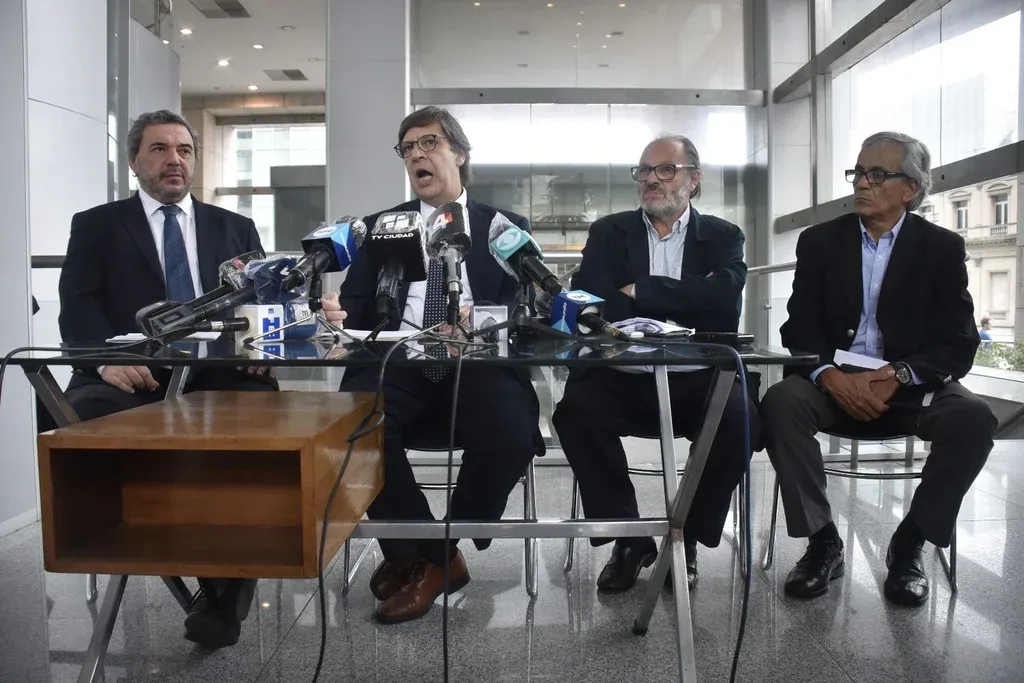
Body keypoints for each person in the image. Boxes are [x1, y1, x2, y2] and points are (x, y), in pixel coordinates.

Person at [57, 110, 276, 648]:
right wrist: (104, 360)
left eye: (184, 150)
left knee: (257, 438)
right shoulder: (97, 224)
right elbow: (77, 309)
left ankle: (219, 596)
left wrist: (262, 348)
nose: (174, 160)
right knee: (90, 425)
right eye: (159, 149)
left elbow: (264, 305)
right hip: (127, 375)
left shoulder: (235, 227)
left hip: (220, 376)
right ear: (134, 161)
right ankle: (207, 579)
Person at [321, 106, 542, 624]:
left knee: (513, 429)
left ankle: (429, 552)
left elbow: (527, 308)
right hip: (399, 363)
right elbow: (355, 309)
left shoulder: (503, 227)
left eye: (429, 143)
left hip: (480, 367)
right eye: (407, 148)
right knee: (355, 428)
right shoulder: (380, 227)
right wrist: (335, 314)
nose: (416, 155)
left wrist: (482, 325)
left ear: (458, 154)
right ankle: (431, 558)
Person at [761, 131, 996, 607]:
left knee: (973, 418)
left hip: (910, 386)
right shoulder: (819, 241)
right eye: (858, 173)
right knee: (780, 402)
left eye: (877, 175)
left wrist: (897, 375)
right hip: (833, 384)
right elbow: (798, 330)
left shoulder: (941, 247)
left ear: (910, 189)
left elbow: (959, 344)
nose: (861, 183)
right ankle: (823, 541)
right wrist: (829, 376)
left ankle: (910, 542)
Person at [550, 134, 758, 594]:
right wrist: (687, 296)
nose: (651, 179)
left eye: (665, 170)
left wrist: (640, 290)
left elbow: (724, 301)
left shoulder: (723, 236)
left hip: (696, 376)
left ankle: (685, 540)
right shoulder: (610, 232)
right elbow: (596, 303)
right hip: (621, 373)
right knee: (574, 413)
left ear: (694, 180)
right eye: (644, 170)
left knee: (740, 419)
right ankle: (629, 538)